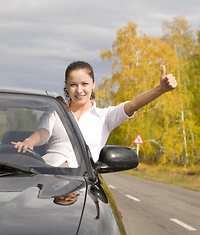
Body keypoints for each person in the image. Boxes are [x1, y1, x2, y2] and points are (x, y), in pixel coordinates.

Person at [12, 61, 177, 167]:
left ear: (93, 84)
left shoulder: (104, 117)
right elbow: (43, 133)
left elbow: (133, 105)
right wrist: (29, 141)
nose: (79, 90)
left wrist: (161, 89)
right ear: (66, 86)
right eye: (73, 85)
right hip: (47, 177)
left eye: (84, 84)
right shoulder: (56, 112)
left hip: (83, 186)